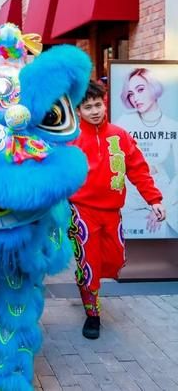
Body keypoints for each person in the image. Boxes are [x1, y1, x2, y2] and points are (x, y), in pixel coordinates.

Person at [69, 80, 167, 339]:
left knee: (114, 260)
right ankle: (93, 314)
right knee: (89, 264)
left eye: (98, 105)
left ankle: (87, 282)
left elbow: (138, 170)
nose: (94, 111)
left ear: (105, 104)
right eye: (88, 107)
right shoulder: (71, 140)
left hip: (112, 212)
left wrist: (154, 200)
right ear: (78, 110)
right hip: (82, 212)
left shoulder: (120, 135)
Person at [115, 68, 178, 237]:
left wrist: (162, 204)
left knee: (164, 231)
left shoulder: (172, 126)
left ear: (153, 86)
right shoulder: (123, 122)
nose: (135, 98)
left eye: (140, 89)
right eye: (130, 94)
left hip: (160, 188)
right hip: (128, 190)